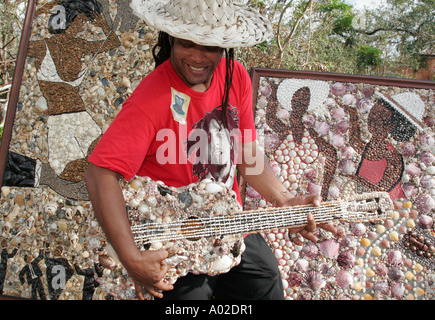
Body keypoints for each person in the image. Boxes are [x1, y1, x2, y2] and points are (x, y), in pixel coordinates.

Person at [85, 0, 336, 300]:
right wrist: (131, 259)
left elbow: (246, 153)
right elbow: (99, 173)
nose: (198, 57)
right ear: (170, 39)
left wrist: (283, 200)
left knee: (266, 281)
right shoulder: (151, 98)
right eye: (187, 44)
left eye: (211, 46)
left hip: (228, 225)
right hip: (174, 238)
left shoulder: (236, 76)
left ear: (225, 46)